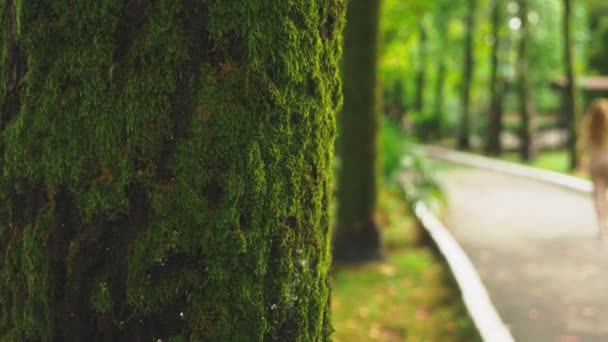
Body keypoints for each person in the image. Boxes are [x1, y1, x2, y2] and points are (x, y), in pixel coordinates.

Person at [579, 98, 608, 238]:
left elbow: (583, 146)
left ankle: (603, 225)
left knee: (599, 195)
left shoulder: (589, 126)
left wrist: (581, 162)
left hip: (596, 163)